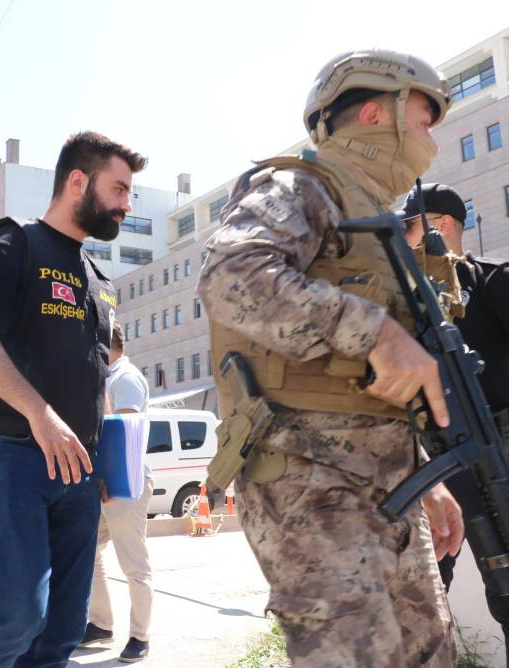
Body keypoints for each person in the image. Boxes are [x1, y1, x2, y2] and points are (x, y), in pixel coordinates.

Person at [196, 51, 465, 666]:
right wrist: (374, 332)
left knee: (430, 654)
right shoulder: (299, 186)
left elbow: (378, 383)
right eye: (425, 119)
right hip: (307, 475)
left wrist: (423, 477)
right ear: (377, 112)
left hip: (390, 483)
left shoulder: (379, 222)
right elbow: (231, 274)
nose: (432, 137)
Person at [0, 131, 137, 667]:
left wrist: (101, 459)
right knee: (17, 615)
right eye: (119, 189)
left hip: (78, 469)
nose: (127, 204)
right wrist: (39, 413)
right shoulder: (13, 242)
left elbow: (93, 374)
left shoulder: (100, 279)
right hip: (12, 452)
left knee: (64, 625)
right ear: (77, 180)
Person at [397, 183, 509, 640]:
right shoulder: (402, 301)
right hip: (431, 467)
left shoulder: (492, 281)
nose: (402, 237)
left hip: (492, 462)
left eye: (408, 226)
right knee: (420, 593)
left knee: (504, 589)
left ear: (439, 226)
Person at [81, 320, 152, 663]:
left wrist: (107, 477)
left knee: (134, 565)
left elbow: (121, 433)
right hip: (103, 483)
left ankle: (140, 636)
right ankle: (101, 623)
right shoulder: (106, 378)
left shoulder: (126, 378)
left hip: (123, 484)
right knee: (90, 554)